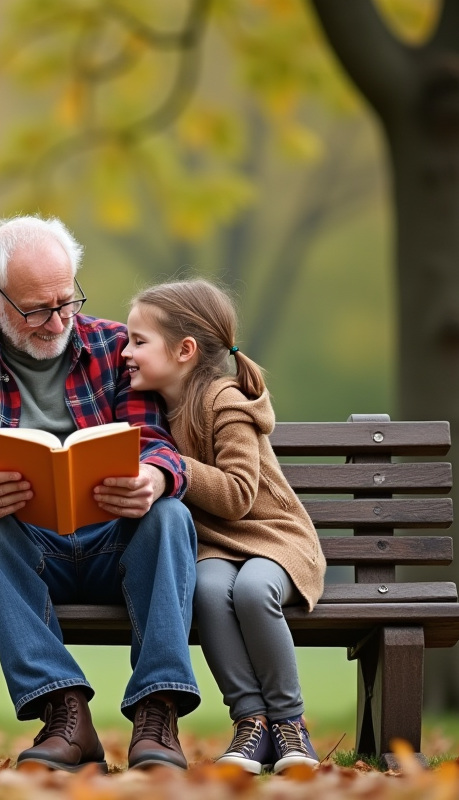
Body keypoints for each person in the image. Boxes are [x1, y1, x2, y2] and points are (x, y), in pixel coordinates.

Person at [0, 215, 200, 772]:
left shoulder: (117, 347)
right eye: (36, 309)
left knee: (168, 517)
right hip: (26, 553)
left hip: (117, 546)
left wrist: (156, 478)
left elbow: (161, 446)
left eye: (66, 301)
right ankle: (63, 711)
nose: (55, 321)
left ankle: (157, 714)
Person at [122, 279, 327, 774]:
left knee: (255, 591)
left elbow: (237, 495)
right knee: (210, 592)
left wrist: (175, 469)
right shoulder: (151, 410)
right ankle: (250, 722)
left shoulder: (225, 402)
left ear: (185, 350)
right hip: (217, 547)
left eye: (137, 341)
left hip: (274, 538)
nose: (124, 352)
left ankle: (289, 723)